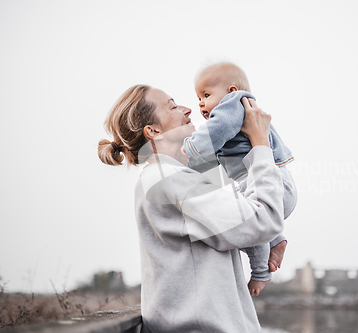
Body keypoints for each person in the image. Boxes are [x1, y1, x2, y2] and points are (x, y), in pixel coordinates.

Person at [97, 84, 285, 332]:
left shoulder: (166, 178)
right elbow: (263, 222)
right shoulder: (169, 179)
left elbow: (248, 224)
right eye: (172, 106)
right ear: (153, 131)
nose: (187, 109)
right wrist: (260, 144)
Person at [182, 62, 297, 295]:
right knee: (242, 222)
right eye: (198, 98)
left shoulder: (232, 106)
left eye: (206, 95)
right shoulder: (235, 118)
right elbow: (214, 158)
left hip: (269, 181)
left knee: (242, 225)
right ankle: (275, 240)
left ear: (231, 91)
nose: (201, 103)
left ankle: (260, 273)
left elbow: (213, 132)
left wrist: (191, 147)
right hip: (272, 181)